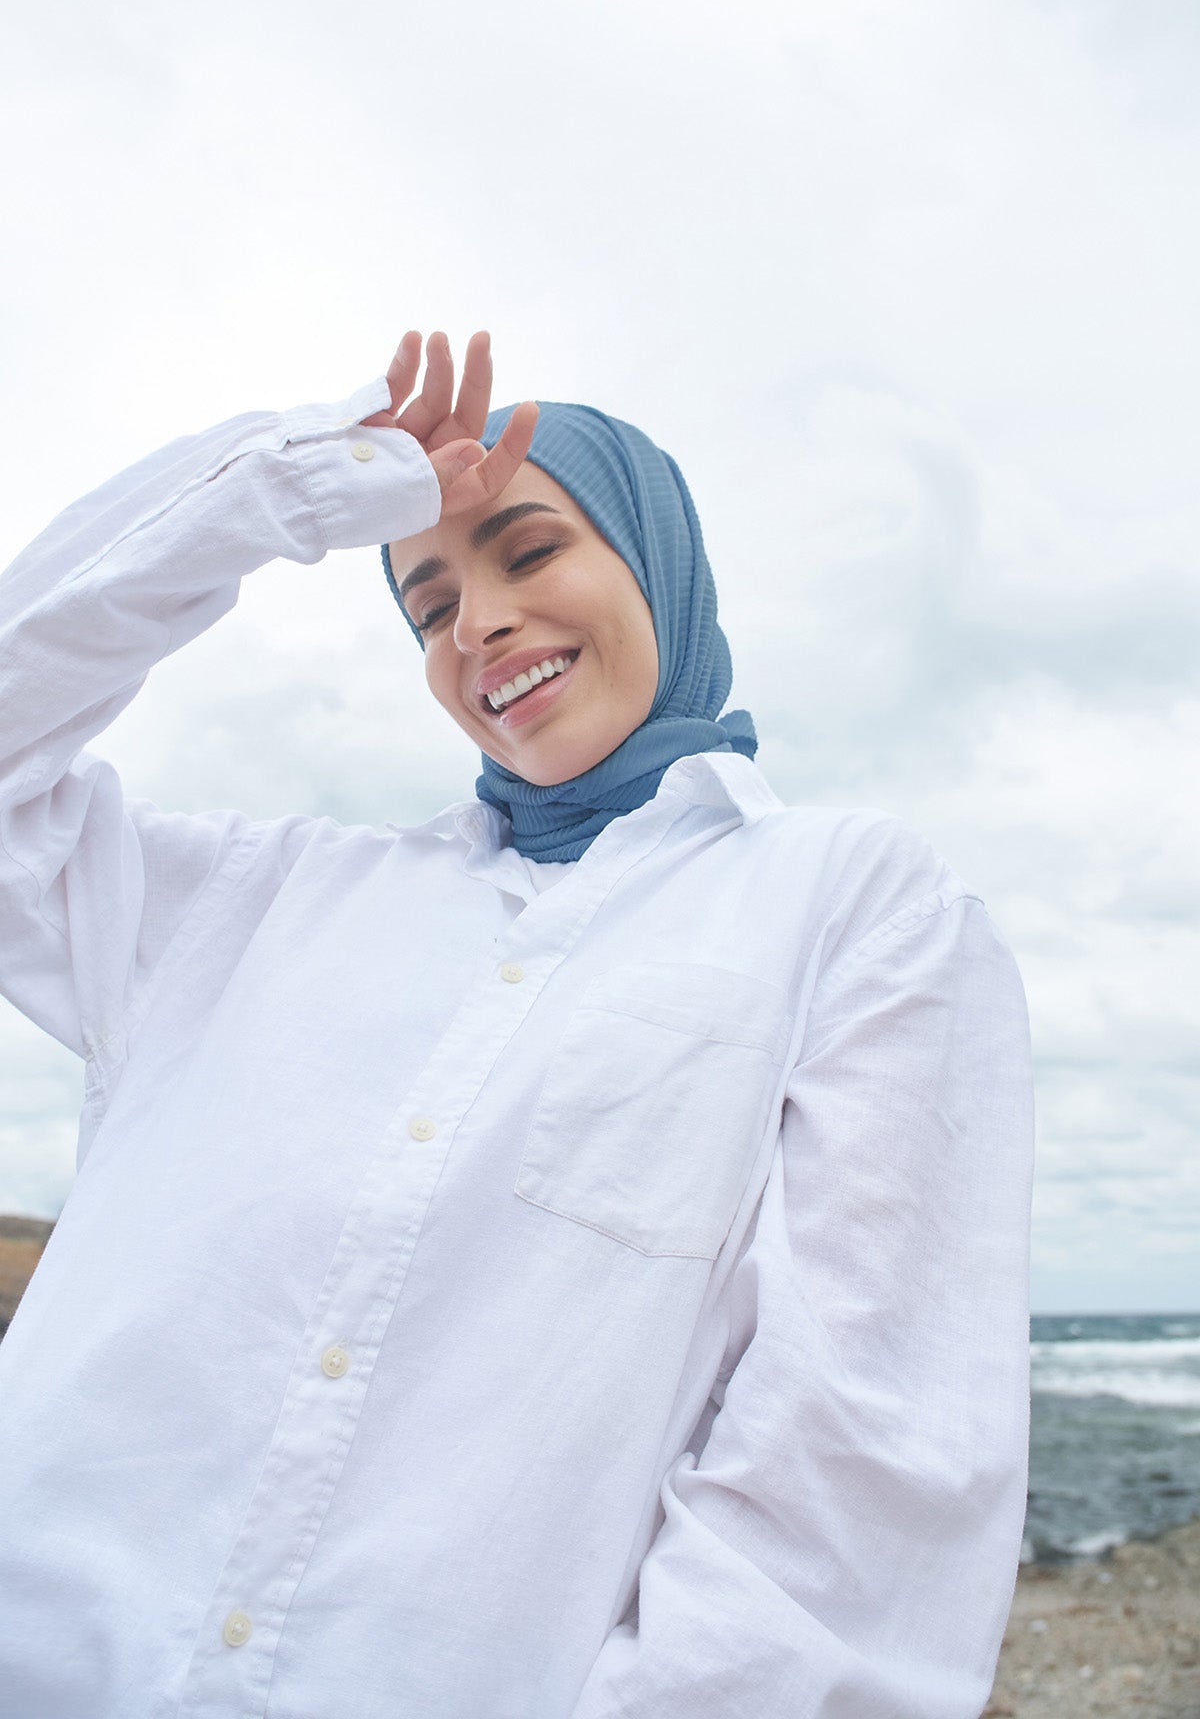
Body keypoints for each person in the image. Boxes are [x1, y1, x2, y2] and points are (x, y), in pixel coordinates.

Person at [0, 331, 1033, 1718]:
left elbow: (858, 1471)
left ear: (656, 556)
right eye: (427, 603)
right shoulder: (257, 902)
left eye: (529, 553)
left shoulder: (852, 906)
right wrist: (281, 492)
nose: (473, 624)